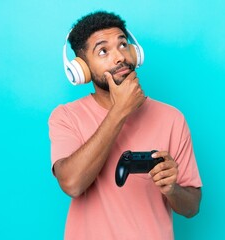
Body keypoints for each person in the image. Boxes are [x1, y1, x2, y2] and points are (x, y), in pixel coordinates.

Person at [48, 11, 202, 240]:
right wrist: (120, 110)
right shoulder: (66, 116)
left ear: (135, 53)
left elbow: (192, 207)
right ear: (83, 69)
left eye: (123, 44)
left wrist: (173, 189)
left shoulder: (172, 118)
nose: (119, 56)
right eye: (103, 51)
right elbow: (71, 183)